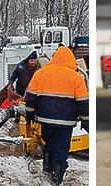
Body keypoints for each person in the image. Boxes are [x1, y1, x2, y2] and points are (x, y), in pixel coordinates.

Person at [24, 46, 88, 185]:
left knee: (48, 143)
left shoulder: (40, 74)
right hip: (66, 122)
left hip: (44, 119)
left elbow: (30, 97)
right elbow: (83, 102)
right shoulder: (76, 77)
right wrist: (86, 121)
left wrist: (29, 115)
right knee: (61, 148)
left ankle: (47, 168)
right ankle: (57, 177)